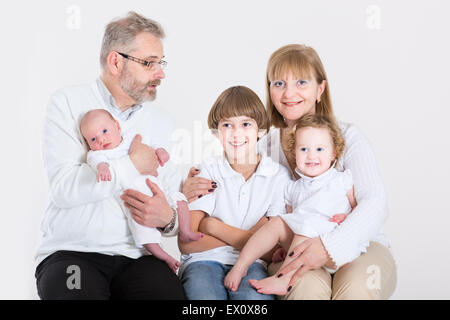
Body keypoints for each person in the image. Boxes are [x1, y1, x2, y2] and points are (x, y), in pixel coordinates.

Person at [183, 44, 397, 299]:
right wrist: (187, 190)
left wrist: (330, 246)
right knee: (305, 289)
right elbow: (227, 186)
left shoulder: (349, 137)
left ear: (320, 89)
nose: (289, 93)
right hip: (291, 248)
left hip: (358, 244)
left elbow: (375, 203)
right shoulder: (262, 147)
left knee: (356, 290)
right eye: (279, 84)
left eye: (301, 82)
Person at [35, 12, 185, 299]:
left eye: (160, 63)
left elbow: (170, 196)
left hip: (139, 258)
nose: (160, 73)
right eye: (149, 63)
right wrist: (132, 165)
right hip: (73, 254)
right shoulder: (67, 103)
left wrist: (168, 219)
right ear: (116, 62)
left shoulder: (161, 121)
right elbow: (64, 188)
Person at [178, 86, 291, 300]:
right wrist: (254, 236)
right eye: (227, 125)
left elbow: (272, 251)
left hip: (253, 264)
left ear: (261, 130)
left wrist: (213, 227)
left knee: (253, 300)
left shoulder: (277, 176)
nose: (236, 133)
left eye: (246, 124)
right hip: (202, 260)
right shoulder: (208, 171)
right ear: (216, 132)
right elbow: (187, 242)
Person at [225, 114, 357, 295]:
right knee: (277, 222)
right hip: (302, 246)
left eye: (320, 149)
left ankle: (283, 279)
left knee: (306, 223)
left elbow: (358, 209)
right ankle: (241, 266)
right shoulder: (293, 187)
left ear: (334, 152)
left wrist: (348, 216)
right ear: (294, 152)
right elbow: (289, 219)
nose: (311, 155)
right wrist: (281, 245)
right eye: (303, 149)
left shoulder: (340, 180)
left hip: (332, 247)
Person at [80, 109, 203, 273]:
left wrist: (161, 152)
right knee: (143, 231)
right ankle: (162, 255)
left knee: (180, 200)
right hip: (135, 200)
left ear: (117, 126)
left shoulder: (132, 139)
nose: (101, 140)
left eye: (104, 131)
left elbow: (152, 147)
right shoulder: (100, 154)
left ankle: (186, 232)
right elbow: (96, 162)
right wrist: (102, 167)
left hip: (157, 187)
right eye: (93, 139)